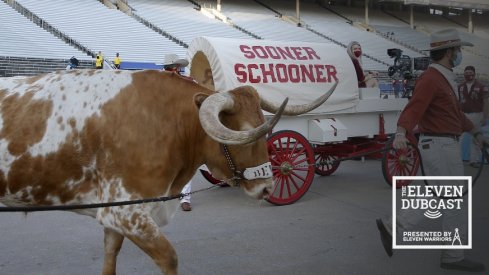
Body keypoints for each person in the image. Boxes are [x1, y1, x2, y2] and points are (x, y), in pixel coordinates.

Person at [376, 29, 487, 272]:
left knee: (441, 198)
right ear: (449, 52)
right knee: (452, 200)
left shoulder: (443, 77)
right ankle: (452, 255)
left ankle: (393, 227)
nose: (459, 55)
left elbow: (455, 114)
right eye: (458, 50)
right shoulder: (431, 78)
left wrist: (475, 132)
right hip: (440, 145)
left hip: (443, 143)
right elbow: (414, 107)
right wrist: (401, 132)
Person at [163, 53, 193, 211]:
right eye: (176, 68)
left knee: (186, 162)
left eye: (179, 68)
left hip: (183, 127)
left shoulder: (187, 82)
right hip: (165, 128)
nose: (179, 70)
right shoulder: (159, 83)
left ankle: (185, 198)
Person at [458, 65, 489, 168]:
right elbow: (458, 101)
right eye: (466, 74)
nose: (468, 76)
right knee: (459, 137)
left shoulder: (481, 87)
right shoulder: (461, 86)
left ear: (474, 74)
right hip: (464, 114)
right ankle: (456, 159)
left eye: (470, 74)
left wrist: (485, 116)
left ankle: (473, 160)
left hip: (477, 114)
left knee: (475, 139)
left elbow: (486, 102)